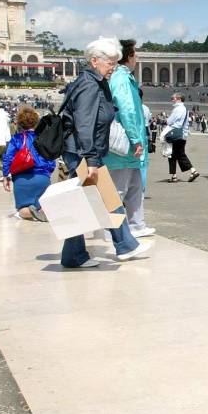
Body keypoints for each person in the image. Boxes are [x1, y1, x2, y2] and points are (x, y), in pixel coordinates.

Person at [59, 37, 149, 268]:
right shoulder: (90, 85)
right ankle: (124, 245)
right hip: (83, 152)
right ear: (94, 60)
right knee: (106, 199)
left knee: (94, 200)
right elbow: (85, 124)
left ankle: (79, 254)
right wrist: (90, 159)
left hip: (82, 151)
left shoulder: (91, 81)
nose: (113, 67)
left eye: (116, 63)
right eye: (110, 63)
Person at [104, 39, 154, 237]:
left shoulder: (125, 78)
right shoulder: (122, 79)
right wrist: (135, 139)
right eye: (135, 54)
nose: (137, 58)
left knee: (135, 186)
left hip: (131, 145)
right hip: (123, 144)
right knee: (117, 189)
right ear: (129, 56)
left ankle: (136, 225)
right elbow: (127, 111)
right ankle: (111, 231)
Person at [1, 106, 55, 220]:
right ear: (36, 122)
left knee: (22, 210)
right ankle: (41, 211)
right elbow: (51, 159)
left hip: (22, 178)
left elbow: (8, 158)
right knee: (43, 205)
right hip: (43, 177)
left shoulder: (16, 138)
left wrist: (6, 176)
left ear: (20, 123)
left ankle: (29, 212)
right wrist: (48, 172)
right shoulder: (44, 139)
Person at [165, 93, 198, 183]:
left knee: (178, 154)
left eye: (173, 98)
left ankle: (193, 171)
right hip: (182, 134)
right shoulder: (184, 109)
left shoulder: (178, 109)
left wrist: (167, 119)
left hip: (175, 134)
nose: (172, 100)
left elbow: (169, 121)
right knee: (175, 154)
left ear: (179, 99)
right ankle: (174, 176)